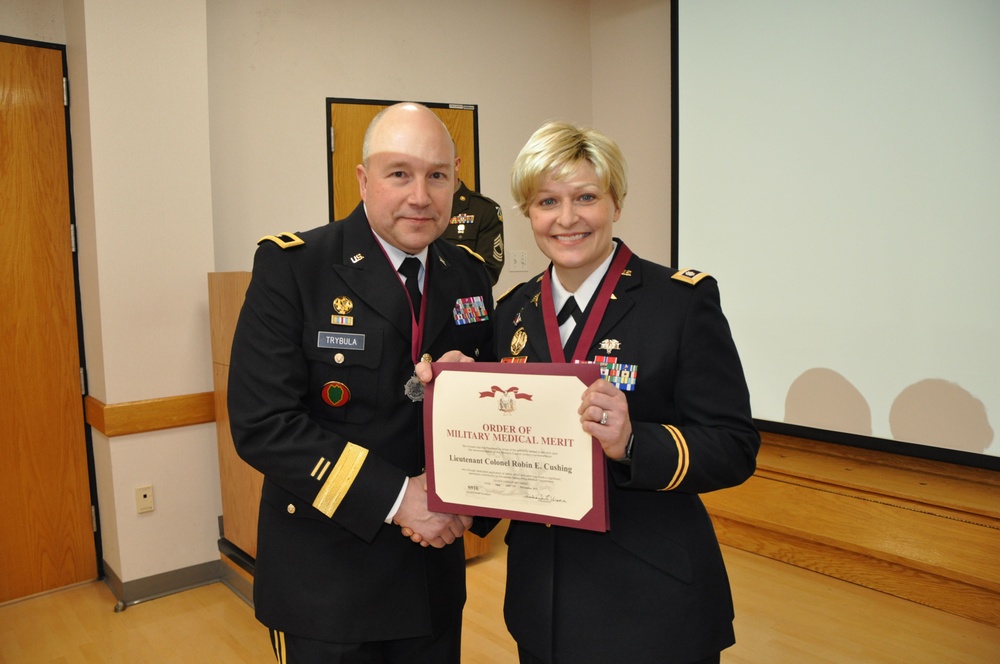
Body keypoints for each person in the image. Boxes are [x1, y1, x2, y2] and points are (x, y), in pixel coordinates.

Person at [227, 102, 494, 664]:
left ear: (455, 180)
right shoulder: (295, 267)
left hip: (432, 575)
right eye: (399, 173)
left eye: (437, 175)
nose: (420, 195)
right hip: (329, 584)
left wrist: (468, 506)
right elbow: (264, 426)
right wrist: (399, 499)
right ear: (363, 179)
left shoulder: (467, 274)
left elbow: (487, 413)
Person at [485, 121, 760, 664]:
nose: (567, 218)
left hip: (651, 601)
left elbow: (733, 445)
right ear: (528, 213)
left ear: (617, 202)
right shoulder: (511, 311)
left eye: (586, 197)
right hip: (542, 599)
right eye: (547, 201)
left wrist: (635, 444)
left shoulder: (679, 303)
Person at [443, 159, 505, 285]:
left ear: (456, 164)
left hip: (461, 300)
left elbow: (488, 272)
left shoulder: (484, 209)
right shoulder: (420, 206)